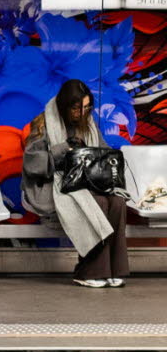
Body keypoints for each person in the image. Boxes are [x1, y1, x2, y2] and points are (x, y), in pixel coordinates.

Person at [22, 79, 129, 288]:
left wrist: (105, 158)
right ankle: (88, 271)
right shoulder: (43, 123)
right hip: (52, 185)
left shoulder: (89, 124)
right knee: (97, 203)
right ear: (64, 106)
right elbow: (32, 164)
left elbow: (103, 150)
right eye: (76, 108)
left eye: (87, 107)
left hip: (85, 182)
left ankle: (113, 270)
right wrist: (63, 149)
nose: (82, 113)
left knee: (116, 201)